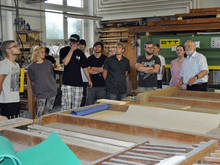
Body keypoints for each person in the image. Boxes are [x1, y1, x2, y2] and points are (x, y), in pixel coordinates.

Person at [59, 34, 92, 110]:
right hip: (67, 83)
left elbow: (85, 68)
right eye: (71, 42)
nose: (72, 44)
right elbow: (65, 62)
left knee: (76, 107)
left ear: (78, 43)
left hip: (78, 83)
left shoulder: (80, 53)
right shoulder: (63, 50)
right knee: (65, 106)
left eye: (75, 42)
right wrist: (71, 50)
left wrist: (89, 80)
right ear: (69, 41)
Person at [28, 46, 57, 118]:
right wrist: (35, 92)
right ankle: (37, 126)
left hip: (52, 90)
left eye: (44, 52)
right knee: (40, 111)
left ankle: (47, 126)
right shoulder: (31, 67)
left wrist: (54, 87)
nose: (44, 54)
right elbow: (32, 81)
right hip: (40, 92)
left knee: (49, 111)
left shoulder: (49, 63)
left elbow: (52, 76)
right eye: (42, 52)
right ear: (37, 53)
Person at [0, 40, 21, 119]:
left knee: (15, 124)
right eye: (15, 46)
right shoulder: (4, 64)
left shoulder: (16, 65)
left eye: (17, 45)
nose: (18, 47)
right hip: (6, 101)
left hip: (15, 99)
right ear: (7, 50)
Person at [79, 39, 89, 106]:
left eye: (82, 45)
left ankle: (83, 106)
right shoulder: (76, 53)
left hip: (85, 77)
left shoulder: (87, 54)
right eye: (80, 45)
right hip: (78, 77)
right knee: (79, 94)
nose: (81, 46)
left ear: (85, 46)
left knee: (85, 94)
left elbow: (88, 66)